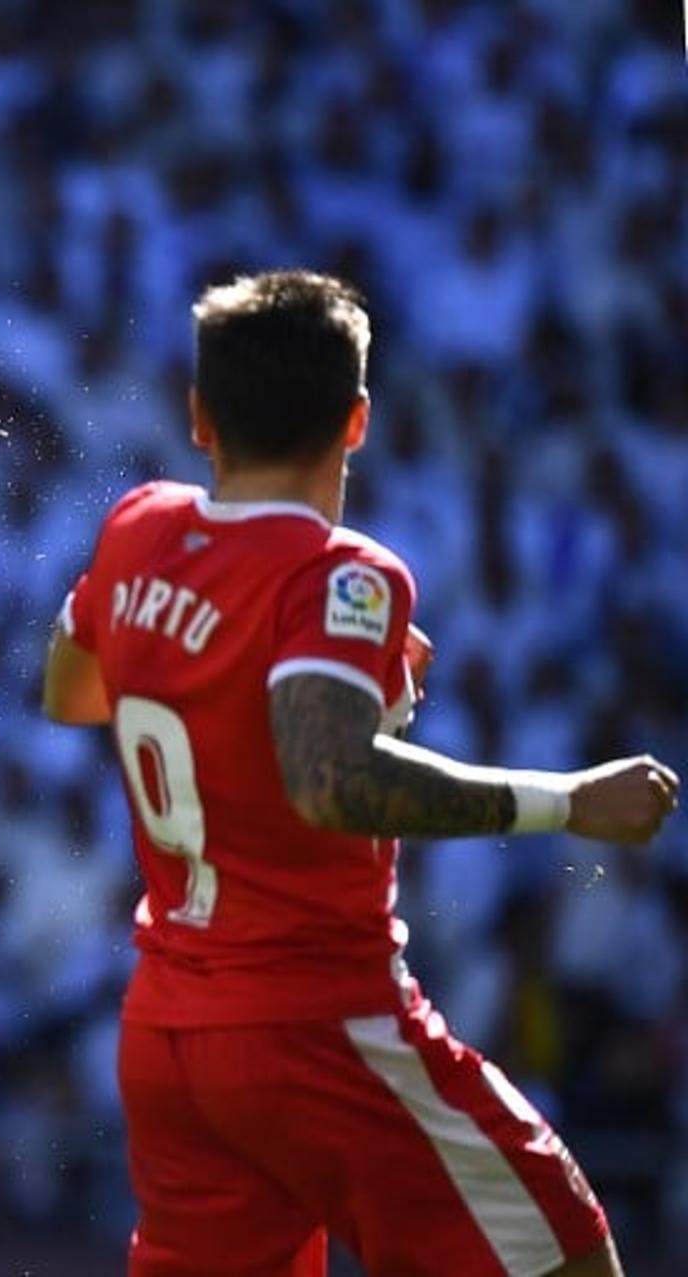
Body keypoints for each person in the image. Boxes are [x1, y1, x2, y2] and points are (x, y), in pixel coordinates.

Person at [40, 270, 678, 1277]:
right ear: (358, 420)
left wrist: (269, 681)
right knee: (567, 1257)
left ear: (200, 417)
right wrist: (566, 800)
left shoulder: (138, 527)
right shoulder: (343, 574)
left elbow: (73, 691)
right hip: (317, 1024)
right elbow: (328, 780)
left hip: (168, 1029)